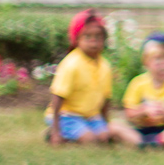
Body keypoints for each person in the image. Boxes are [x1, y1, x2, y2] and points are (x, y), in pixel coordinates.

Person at [46, 9, 137, 145]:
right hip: (67, 115)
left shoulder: (104, 66)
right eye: (87, 37)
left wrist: (106, 125)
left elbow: (106, 99)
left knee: (104, 138)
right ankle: (55, 133)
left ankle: (80, 134)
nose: (93, 42)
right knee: (90, 140)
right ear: (77, 40)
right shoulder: (72, 64)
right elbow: (58, 96)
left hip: (90, 116)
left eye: (98, 37)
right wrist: (56, 130)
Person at [121, 32, 164, 148]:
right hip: (142, 128)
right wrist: (144, 110)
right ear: (146, 61)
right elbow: (129, 113)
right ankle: (141, 142)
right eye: (158, 59)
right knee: (115, 125)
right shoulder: (138, 83)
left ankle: (160, 142)